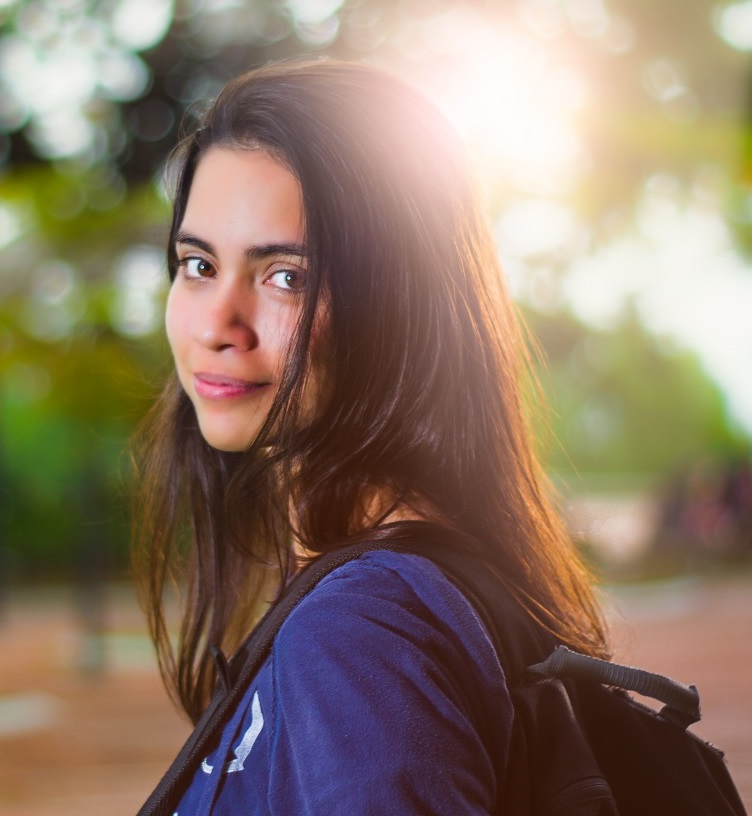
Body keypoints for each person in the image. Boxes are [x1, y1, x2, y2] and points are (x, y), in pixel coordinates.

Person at [132, 59, 609, 814]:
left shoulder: (364, 630)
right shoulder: (428, 584)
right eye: (197, 264)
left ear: (400, 309)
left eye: (285, 275)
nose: (216, 325)